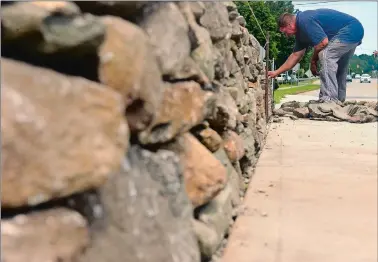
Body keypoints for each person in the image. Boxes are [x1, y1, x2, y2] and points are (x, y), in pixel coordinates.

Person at [268, 9, 364, 102]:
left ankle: (329, 99)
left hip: (350, 30)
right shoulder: (300, 34)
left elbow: (323, 42)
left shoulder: (304, 20)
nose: (286, 35)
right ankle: (339, 100)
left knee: (326, 55)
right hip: (355, 32)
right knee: (338, 66)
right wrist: (276, 72)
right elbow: (295, 55)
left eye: (285, 32)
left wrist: (313, 60)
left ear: (290, 25)